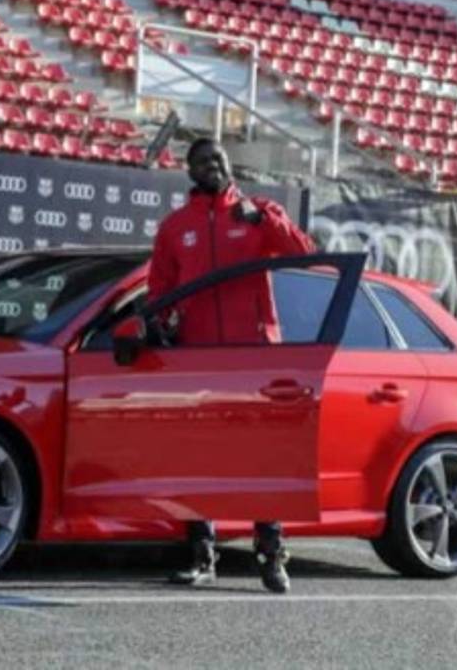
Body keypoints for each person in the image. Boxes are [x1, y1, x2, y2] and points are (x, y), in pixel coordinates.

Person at [147, 137, 315, 593]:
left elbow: (303, 252)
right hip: (199, 356)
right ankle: (202, 555)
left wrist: (264, 220)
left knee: (262, 458)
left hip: (255, 354)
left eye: (219, 159)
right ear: (191, 172)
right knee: (199, 455)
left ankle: (271, 554)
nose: (214, 166)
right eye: (204, 162)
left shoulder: (258, 211)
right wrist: (160, 325)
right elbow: (160, 289)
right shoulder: (175, 227)